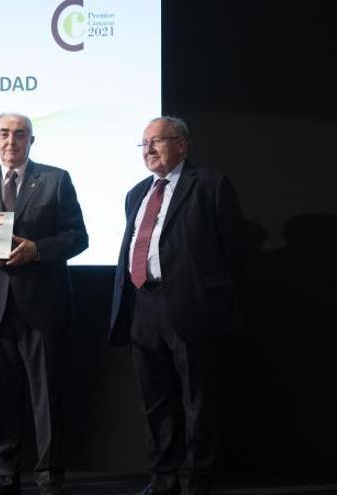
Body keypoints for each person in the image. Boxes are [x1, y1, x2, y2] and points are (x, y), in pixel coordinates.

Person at [109, 117, 247, 495]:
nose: (149, 149)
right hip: (142, 305)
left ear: (183, 145)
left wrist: (217, 303)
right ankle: (163, 476)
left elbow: (235, 251)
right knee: (155, 399)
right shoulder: (137, 192)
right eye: (144, 144)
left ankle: (197, 478)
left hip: (192, 307)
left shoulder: (210, 185)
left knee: (197, 399)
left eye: (158, 141)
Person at [0, 113, 88, 495]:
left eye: (20, 134)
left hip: (43, 308)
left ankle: (48, 478)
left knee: (47, 398)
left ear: (32, 140)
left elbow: (78, 236)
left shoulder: (55, 179)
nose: (12, 141)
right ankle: (5, 476)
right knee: (1, 398)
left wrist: (37, 250)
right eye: (5, 134)